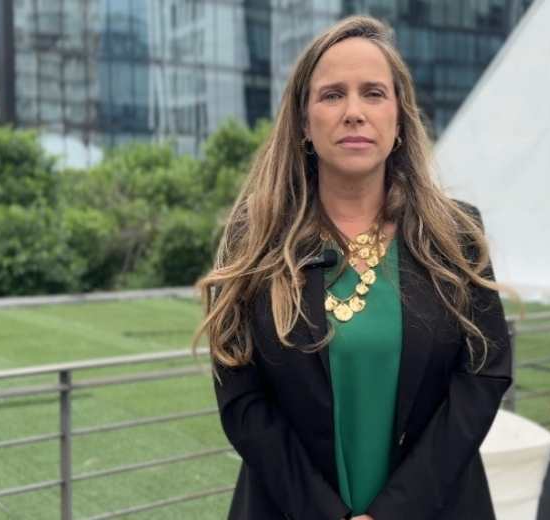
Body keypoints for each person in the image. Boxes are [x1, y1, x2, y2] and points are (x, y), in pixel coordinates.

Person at [195, 15, 512, 520]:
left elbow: (483, 377)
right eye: (332, 95)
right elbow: (242, 399)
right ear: (304, 122)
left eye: (373, 93)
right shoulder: (253, 241)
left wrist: (394, 512)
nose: (354, 113)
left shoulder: (456, 236)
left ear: (399, 119)